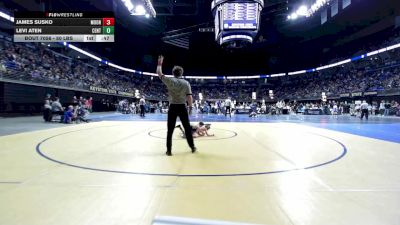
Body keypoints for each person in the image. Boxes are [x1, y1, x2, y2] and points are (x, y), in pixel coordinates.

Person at [157, 55, 196, 156]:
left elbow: (159, 73)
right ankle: (192, 147)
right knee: (187, 128)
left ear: (173, 73)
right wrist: (190, 107)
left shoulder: (169, 80)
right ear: (181, 73)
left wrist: (160, 63)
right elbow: (189, 97)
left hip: (173, 107)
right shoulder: (186, 83)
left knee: (170, 130)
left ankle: (169, 151)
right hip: (182, 107)